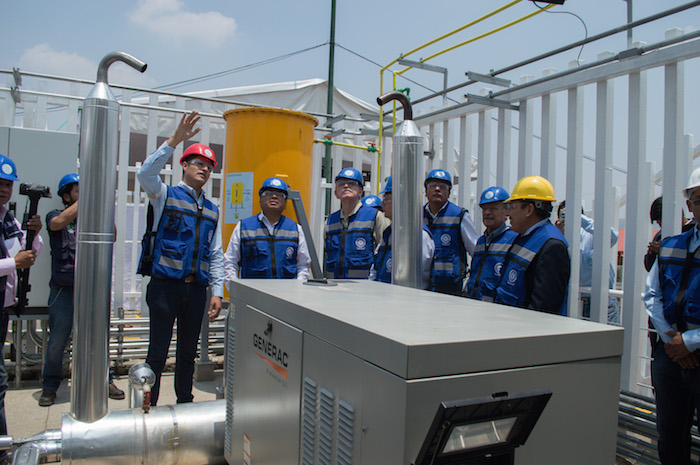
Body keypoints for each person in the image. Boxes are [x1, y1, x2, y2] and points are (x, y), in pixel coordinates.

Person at [137, 111, 223, 406]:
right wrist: (174, 141)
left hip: (196, 290)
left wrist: (217, 292)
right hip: (165, 287)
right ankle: (149, 405)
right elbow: (145, 174)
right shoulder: (164, 194)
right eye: (199, 163)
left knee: (188, 353)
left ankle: (185, 403)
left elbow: (215, 253)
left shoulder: (212, 209)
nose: (205, 169)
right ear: (184, 165)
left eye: (209, 166)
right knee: (157, 353)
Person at [38, 174, 125, 407]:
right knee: (57, 341)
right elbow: (57, 224)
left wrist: (102, 210)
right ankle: (50, 385)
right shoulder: (55, 215)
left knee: (99, 338)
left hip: (93, 290)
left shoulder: (94, 219)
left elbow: (113, 236)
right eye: (79, 191)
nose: (86, 194)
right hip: (63, 291)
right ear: (66, 196)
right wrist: (88, 199)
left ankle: (105, 380)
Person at [644, 167, 700, 465]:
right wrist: (672, 341)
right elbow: (651, 295)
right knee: (670, 435)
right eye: (699, 199)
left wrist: (689, 342)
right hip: (670, 354)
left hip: (686, 349)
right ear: (689, 205)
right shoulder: (671, 245)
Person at [0, 154, 43, 464]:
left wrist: (35, 234)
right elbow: (16, 261)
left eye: (7, 184)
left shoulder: (8, 219)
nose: (4, 189)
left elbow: (29, 252)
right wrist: (12, 264)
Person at [493, 175, 570, 314]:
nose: (508, 213)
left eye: (512, 207)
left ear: (529, 209)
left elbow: (543, 308)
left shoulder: (552, 247)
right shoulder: (524, 237)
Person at [224, 177, 311, 282]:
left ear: (285, 202)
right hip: (253, 291)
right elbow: (230, 262)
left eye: (279, 194)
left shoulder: (295, 229)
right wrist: (235, 288)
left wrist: (297, 288)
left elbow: (303, 265)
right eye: (268, 193)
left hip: (287, 291)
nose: (274, 196)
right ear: (260, 200)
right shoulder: (244, 227)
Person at [555, 200, 620, 324]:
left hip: (602, 301)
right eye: (564, 214)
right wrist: (559, 236)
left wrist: (581, 219)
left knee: (608, 337)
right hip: (574, 301)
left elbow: (613, 236)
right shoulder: (556, 238)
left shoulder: (592, 234)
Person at [369, 176, 434, 289]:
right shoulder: (388, 233)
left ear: (401, 200)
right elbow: (375, 269)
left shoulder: (419, 236)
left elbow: (416, 280)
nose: (382, 204)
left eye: (386, 199)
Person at [422, 169, 479, 295]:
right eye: (433, 185)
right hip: (421, 287)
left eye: (442, 186)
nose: (437, 189)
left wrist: (469, 285)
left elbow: (477, 252)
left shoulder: (459, 216)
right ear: (425, 191)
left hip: (450, 289)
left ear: (448, 193)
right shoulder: (416, 216)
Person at [325, 168, 389, 279]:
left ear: (360, 191)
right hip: (334, 286)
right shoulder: (330, 221)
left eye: (351, 183)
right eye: (341, 184)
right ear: (336, 193)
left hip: (364, 286)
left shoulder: (374, 217)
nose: (346, 186)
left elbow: (383, 253)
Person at [465, 186, 518, 301]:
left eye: (493, 208)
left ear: (507, 212)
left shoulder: (513, 240)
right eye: (484, 209)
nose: (487, 213)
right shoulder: (481, 241)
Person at [644, 196, 695, 272]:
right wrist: (652, 253)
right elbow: (650, 268)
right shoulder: (660, 236)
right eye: (659, 224)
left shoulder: (695, 231)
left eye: (662, 223)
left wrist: (665, 250)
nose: (662, 227)